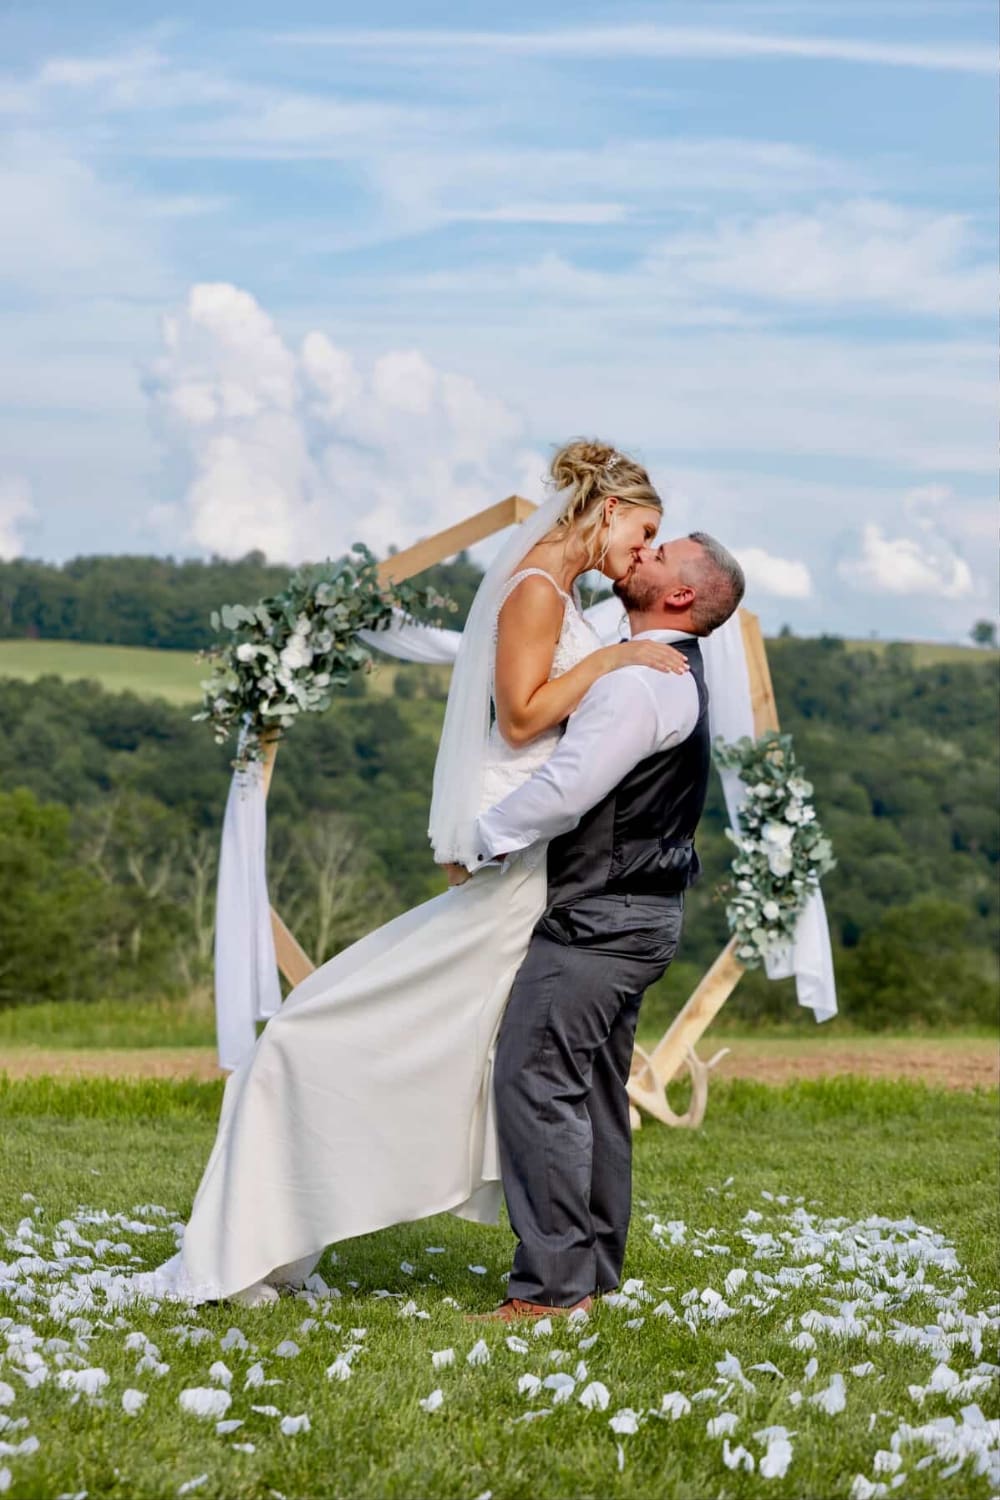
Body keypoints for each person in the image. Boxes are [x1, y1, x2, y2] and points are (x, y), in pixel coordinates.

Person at [131, 439, 689, 1306]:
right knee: (327, 1030)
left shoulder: (563, 591)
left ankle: (555, 1267)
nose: (643, 550)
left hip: (538, 878)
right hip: (517, 878)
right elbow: (520, 719)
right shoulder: (537, 589)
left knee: (455, 1056)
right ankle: (255, 1237)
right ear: (608, 509)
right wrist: (614, 659)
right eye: (644, 529)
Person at [468, 534, 746, 1320]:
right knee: (590, 1091)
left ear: (682, 597)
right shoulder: (655, 667)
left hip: (601, 919)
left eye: (663, 553)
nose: (644, 552)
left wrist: (479, 839)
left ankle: (554, 1291)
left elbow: (567, 788)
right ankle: (590, 1271)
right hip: (639, 914)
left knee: (536, 1082)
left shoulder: (642, 684)